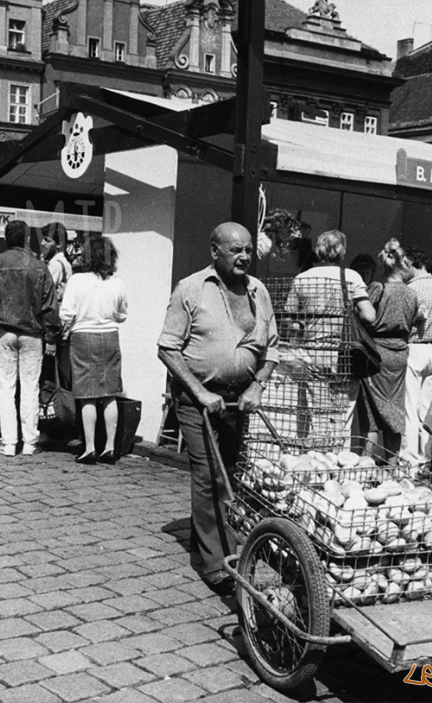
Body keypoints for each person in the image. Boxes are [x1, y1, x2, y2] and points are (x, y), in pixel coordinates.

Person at [158, 222, 279, 596]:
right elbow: (167, 347)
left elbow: (272, 347)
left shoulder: (258, 291)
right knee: (209, 476)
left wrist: (257, 385)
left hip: (239, 398)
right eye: (235, 250)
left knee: (229, 472)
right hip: (199, 398)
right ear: (215, 251)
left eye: (247, 249)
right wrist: (198, 392)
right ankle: (216, 564)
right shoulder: (191, 288)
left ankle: (214, 539)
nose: (244, 256)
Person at [0, 220, 60, 457]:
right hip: (32, 333)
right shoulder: (39, 266)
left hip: (3, 331)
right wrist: (52, 335)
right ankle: (30, 443)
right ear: (26, 239)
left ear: (7, 238)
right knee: (30, 388)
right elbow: (50, 307)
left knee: (6, 387)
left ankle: (9, 443)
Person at [285, 230, 377, 439]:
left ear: (319, 250)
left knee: (318, 415)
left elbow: (291, 321)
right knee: (342, 416)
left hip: (314, 352)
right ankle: (339, 464)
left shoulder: (302, 278)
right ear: (342, 251)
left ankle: (320, 466)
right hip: (345, 353)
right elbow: (369, 316)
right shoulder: (351, 277)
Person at [60, 236, 128, 464]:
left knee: (86, 394)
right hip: (110, 337)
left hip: (82, 337)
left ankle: (89, 447)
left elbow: (66, 313)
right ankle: (109, 446)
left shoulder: (77, 280)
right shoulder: (117, 283)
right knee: (109, 393)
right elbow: (122, 315)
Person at [357, 239, 420, 460]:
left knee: (371, 414)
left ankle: (365, 464)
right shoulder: (412, 294)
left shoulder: (377, 288)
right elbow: (416, 321)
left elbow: (362, 316)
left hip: (377, 352)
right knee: (395, 409)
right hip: (400, 353)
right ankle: (392, 465)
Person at [403, 244, 432, 461]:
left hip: (414, 347)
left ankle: (409, 461)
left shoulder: (411, 289)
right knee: (425, 409)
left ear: (410, 264)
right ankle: (424, 460)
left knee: (409, 409)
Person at [41, 222, 72, 302]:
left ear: (59, 244)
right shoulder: (61, 262)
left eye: (47, 240)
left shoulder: (56, 264)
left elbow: (42, 291)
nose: (42, 243)